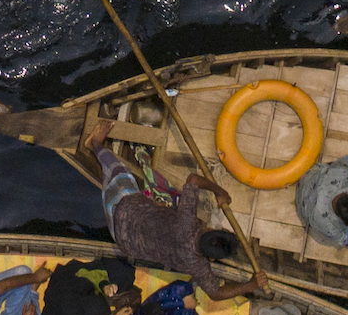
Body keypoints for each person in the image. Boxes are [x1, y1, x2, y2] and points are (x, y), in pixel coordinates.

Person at [74, 109, 250, 296]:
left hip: (125, 209)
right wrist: (250, 285)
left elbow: (193, 179)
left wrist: (220, 191)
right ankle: (104, 173)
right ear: (210, 259)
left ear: (208, 230)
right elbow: (216, 294)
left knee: (120, 172)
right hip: (124, 242)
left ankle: (94, 144)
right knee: (123, 195)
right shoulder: (197, 266)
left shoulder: (187, 222)